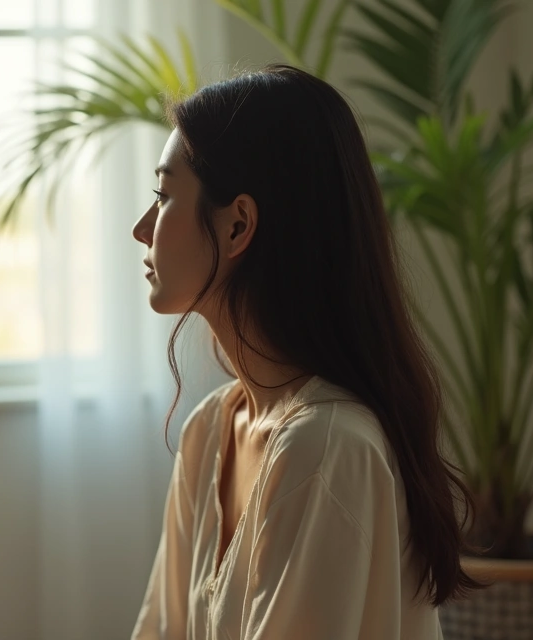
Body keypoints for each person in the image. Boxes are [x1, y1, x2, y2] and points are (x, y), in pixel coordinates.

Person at [130, 65, 479, 639]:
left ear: (238, 225)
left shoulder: (327, 448)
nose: (143, 229)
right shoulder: (211, 430)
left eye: (164, 196)